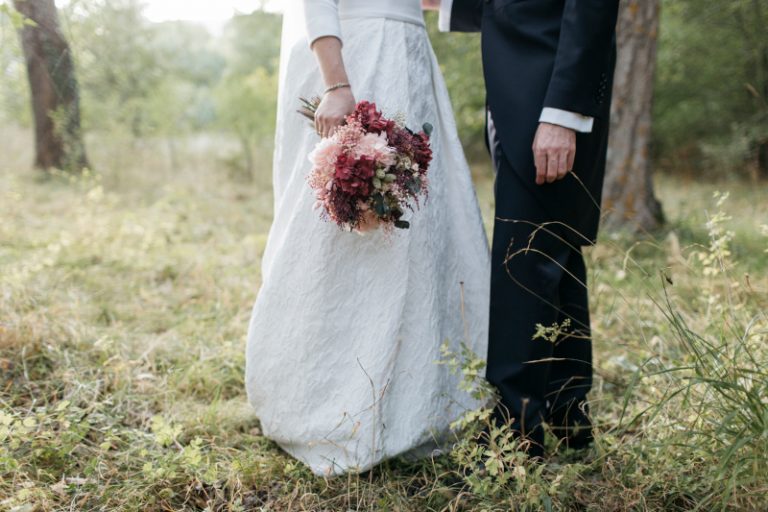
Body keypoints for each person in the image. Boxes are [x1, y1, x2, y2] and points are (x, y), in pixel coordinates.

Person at [244, 0, 490, 476]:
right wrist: (336, 84)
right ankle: (329, 401)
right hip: (353, 57)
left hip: (407, 55)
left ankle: (413, 400)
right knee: (340, 230)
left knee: (414, 235)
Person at [432, 0, 620, 457]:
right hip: (519, 90)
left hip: (549, 95)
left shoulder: (556, 110)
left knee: (525, 255)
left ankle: (517, 434)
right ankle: (568, 419)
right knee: (553, 253)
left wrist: (562, 112)